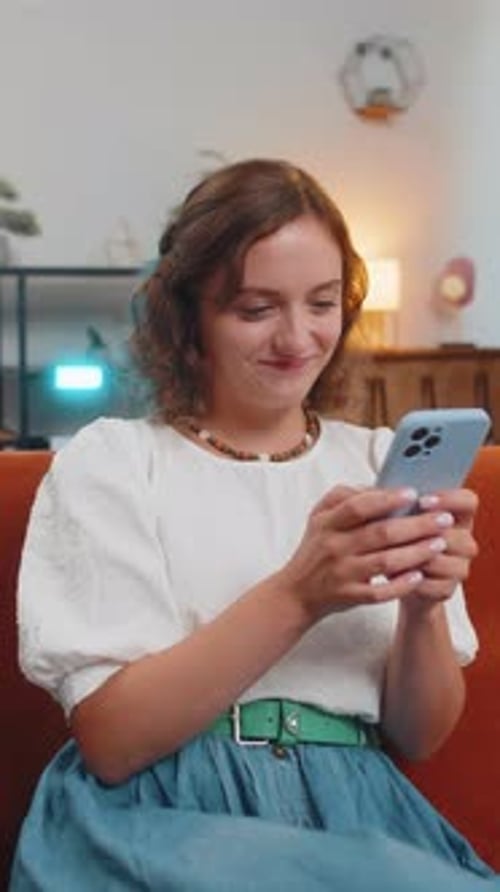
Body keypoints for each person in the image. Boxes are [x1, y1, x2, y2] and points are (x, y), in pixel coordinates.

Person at [10, 159, 499, 891]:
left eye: (323, 302)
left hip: (355, 814)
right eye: (255, 308)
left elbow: (419, 737)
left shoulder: (373, 460)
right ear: (188, 318)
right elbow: (113, 742)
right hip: (161, 816)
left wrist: (422, 606)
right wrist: (300, 595)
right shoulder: (115, 463)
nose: (298, 337)